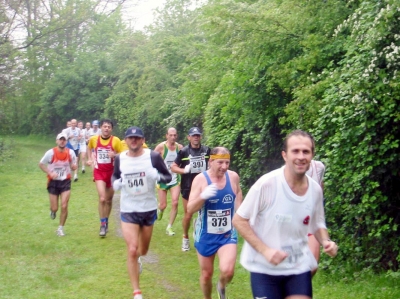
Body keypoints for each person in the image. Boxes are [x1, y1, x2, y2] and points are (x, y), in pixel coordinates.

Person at [232, 130, 338, 299]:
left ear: (312, 155)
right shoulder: (267, 184)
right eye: (295, 151)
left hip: (297, 266)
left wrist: (326, 241)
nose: (301, 156)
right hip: (264, 268)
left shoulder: (315, 190)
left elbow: (317, 223)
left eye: (306, 151)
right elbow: (239, 220)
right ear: (285, 155)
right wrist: (265, 250)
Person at [112, 126, 172, 299]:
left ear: (143, 140)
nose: (134, 141)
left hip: (148, 208)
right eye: (131, 138)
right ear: (125, 140)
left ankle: (139, 258)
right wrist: (116, 183)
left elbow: (168, 176)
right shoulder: (120, 158)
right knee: (132, 249)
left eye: (137, 138)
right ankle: (137, 292)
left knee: (142, 251)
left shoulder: (152, 156)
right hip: (129, 209)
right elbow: (115, 176)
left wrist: (157, 176)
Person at [187, 147, 242, 299]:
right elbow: (190, 208)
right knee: (206, 275)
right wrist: (203, 196)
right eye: (220, 162)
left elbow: (238, 196)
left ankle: (221, 286)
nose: (224, 166)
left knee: (228, 271)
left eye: (227, 162)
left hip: (227, 233)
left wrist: (241, 215)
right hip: (205, 234)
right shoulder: (200, 179)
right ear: (210, 161)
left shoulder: (233, 177)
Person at [171, 127, 211, 251]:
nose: (196, 137)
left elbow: (212, 163)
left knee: (205, 213)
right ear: (189, 137)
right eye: (193, 135)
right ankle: (185, 237)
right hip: (188, 186)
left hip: (204, 186)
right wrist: (184, 170)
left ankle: (203, 237)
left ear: (200, 137)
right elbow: (173, 167)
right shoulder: (183, 151)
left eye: (198, 135)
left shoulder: (206, 150)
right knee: (188, 214)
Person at [87, 119, 123, 237]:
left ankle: (106, 221)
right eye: (104, 126)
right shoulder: (94, 139)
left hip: (112, 173)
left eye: (108, 127)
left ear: (111, 129)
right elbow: (89, 148)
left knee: (108, 200)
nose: (106, 128)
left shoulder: (116, 140)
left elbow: (123, 155)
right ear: (100, 128)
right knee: (102, 198)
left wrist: (115, 155)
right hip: (99, 173)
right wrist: (90, 159)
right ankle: (102, 225)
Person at [38, 133, 77, 236]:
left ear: (66, 142)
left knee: (64, 205)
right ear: (57, 141)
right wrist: (50, 173)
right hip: (53, 182)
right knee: (55, 207)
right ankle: (53, 211)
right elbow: (41, 164)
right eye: (60, 139)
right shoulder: (50, 153)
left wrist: (74, 167)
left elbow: (74, 163)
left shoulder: (71, 152)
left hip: (65, 181)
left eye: (64, 140)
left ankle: (60, 228)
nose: (62, 141)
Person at [154, 127, 183, 236]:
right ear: (166, 136)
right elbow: (151, 158)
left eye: (175, 135)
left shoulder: (179, 147)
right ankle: (160, 210)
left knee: (175, 202)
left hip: (175, 179)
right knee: (163, 205)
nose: (173, 137)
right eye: (170, 135)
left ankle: (169, 227)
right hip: (162, 179)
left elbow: (185, 159)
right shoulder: (161, 147)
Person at [306, 160, 326, 276]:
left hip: (311, 221)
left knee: (312, 266)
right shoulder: (284, 172)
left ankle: (299, 287)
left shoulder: (319, 167)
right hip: (291, 223)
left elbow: (320, 187)